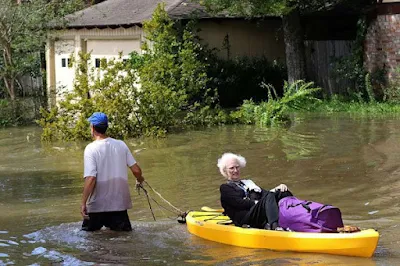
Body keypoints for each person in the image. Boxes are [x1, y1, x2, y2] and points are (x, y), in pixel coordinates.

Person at [81, 112, 145, 231]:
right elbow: (136, 170)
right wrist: (140, 180)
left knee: (89, 242)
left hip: (96, 207)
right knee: (124, 242)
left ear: (93, 128)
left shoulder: (91, 149)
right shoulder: (121, 145)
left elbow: (91, 178)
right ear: (106, 127)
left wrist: (83, 203)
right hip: (119, 207)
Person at [217, 152, 293, 230]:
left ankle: (296, 215)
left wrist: (277, 188)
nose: (235, 170)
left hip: (256, 212)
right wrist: (257, 202)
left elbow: (266, 194)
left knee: (282, 192)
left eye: (237, 167)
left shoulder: (248, 183)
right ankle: (275, 226)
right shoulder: (225, 188)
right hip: (245, 218)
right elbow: (238, 203)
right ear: (225, 171)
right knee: (270, 196)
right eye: (232, 168)